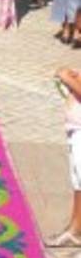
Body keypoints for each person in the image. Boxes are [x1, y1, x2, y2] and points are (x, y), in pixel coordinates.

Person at [47, 67, 81, 247]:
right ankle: (75, 229)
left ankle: (75, 231)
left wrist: (68, 79)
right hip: (75, 130)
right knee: (78, 183)